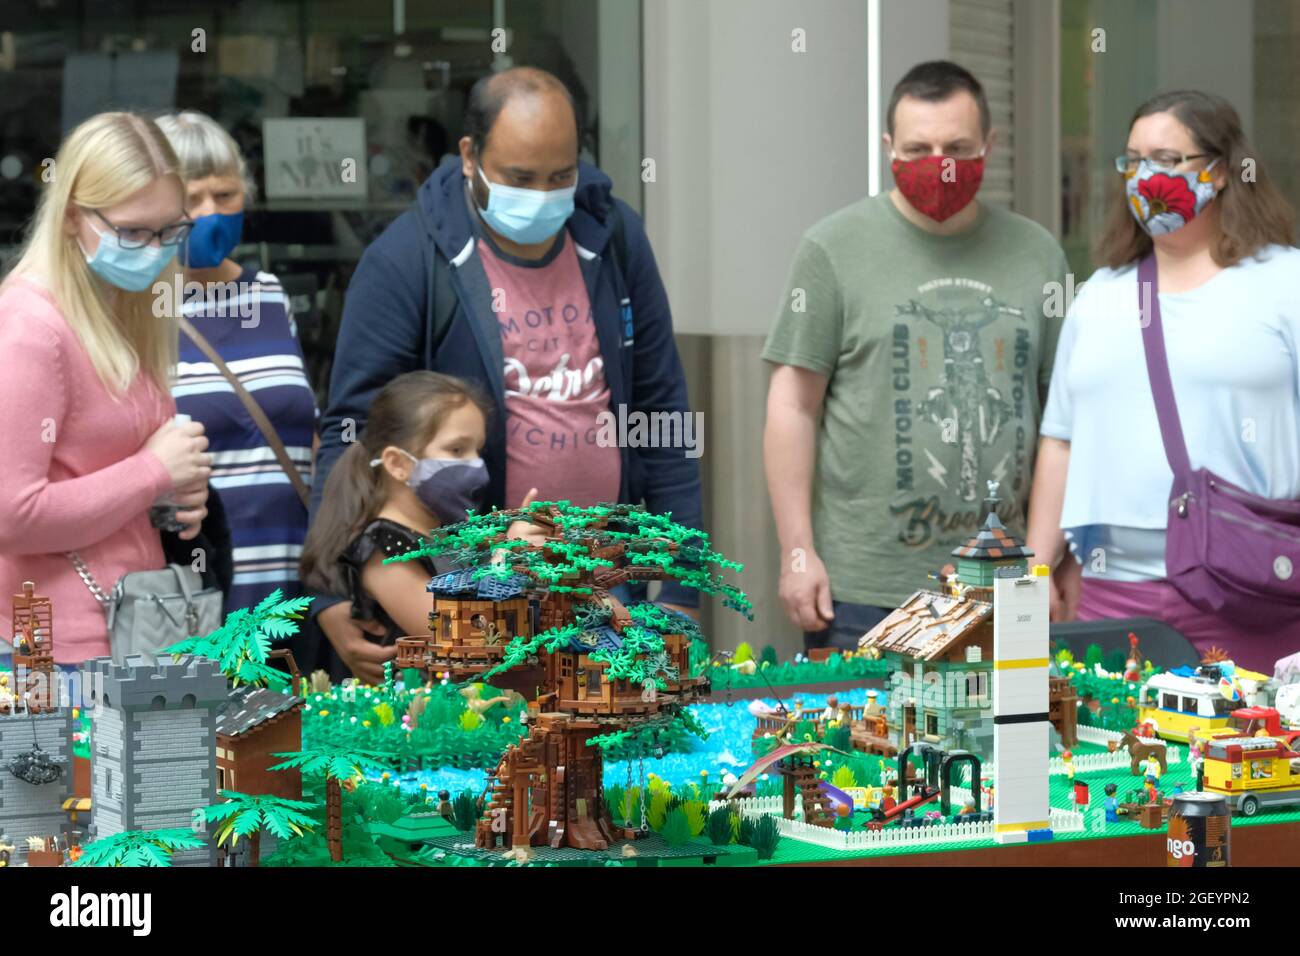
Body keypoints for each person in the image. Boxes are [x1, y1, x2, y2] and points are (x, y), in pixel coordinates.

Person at [310, 66, 702, 682]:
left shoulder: (615, 236)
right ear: (469, 156)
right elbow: (351, 431)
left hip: (605, 592)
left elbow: (664, 416)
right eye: (520, 178)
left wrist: (680, 589)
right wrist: (330, 594)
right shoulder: (408, 260)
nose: (543, 194)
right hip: (473, 597)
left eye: (561, 176)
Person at [763, 61, 1069, 651]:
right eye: (919, 147)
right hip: (862, 591)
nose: (941, 162)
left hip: (1003, 588)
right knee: (860, 740)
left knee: (1010, 742)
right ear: (888, 149)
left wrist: (1047, 559)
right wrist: (797, 550)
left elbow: (1062, 419)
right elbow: (792, 406)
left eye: (957, 146)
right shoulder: (832, 250)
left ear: (990, 145)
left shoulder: (1039, 255)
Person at [1026, 90, 1300, 671]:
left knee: (1246, 755)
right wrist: (1039, 568)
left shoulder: (1283, 283)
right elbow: (1061, 440)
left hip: (1250, 592)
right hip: (1109, 598)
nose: (1147, 176)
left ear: (1221, 171)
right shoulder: (1098, 295)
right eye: (1134, 160)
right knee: (1117, 757)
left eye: (1168, 159)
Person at [0, 112, 211, 665]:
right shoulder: (31, 328)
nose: (156, 248)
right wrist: (154, 472)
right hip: (53, 654)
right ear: (73, 217)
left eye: (171, 230)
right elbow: (11, 516)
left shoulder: (118, 305)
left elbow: (97, 473)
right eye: (134, 232)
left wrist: (168, 497)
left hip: (132, 629)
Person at [155, 110, 318, 614]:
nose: (210, 211)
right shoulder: (138, 311)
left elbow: (302, 426)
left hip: (298, 579)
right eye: (191, 198)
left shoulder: (269, 294)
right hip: (200, 588)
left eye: (225, 196)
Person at [301, 372, 510, 644]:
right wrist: (506, 560)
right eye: (457, 450)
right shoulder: (382, 550)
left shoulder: (444, 534)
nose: (476, 466)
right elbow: (462, 638)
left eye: (477, 450)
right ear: (398, 464)